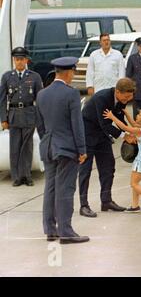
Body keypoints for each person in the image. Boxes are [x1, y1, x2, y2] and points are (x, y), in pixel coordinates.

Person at [36, 57, 89, 244]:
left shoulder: (42, 94)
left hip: (48, 147)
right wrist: (82, 149)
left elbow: (40, 125)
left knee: (50, 188)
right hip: (66, 148)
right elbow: (77, 124)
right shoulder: (71, 93)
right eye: (73, 72)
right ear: (68, 72)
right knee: (65, 188)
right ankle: (66, 231)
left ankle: (50, 229)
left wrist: (48, 140)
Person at [78, 78, 137, 218]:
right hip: (88, 134)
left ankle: (106, 201)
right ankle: (84, 205)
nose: (128, 99)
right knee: (85, 170)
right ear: (117, 91)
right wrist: (124, 136)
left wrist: (130, 132)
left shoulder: (122, 99)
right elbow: (105, 123)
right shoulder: (102, 98)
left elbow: (119, 116)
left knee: (108, 167)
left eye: (130, 97)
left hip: (102, 135)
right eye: (126, 96)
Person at [0, 47, 43, 187]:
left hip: (29, 114)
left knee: (27, 146)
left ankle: (27, 175)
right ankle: (16, 176)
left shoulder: (34, 77)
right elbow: (2, 100)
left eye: (21, 59)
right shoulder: (7, 76)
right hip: (13, 115)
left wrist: (39, 118)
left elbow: (40, 99)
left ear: (26, 60)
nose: (19, 62)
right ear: (14, 60)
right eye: (17, 59)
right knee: (15, 146)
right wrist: (3, 119)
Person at [103, 108, 141, 213]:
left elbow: (124, 127)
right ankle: (135, 206)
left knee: (134, 184)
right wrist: (126, 113)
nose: (137, 116)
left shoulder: (139, 131)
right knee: (136, 183)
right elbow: (132, 122)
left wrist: (112, 117)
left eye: (140, 115)